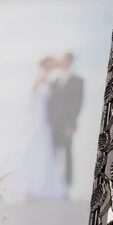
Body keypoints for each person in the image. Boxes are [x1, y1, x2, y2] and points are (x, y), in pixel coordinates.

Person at [3, 57, 67, 201]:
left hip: (45, 122)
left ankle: (42, 186)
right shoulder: (38, 80)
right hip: (36, 121)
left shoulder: (49, 82)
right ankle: (32, 185)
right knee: (33, 151)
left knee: (44, 154)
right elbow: (31, 96)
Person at [46, 53, 84, 199]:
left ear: (69, 62)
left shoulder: (78, 81)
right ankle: (54, 184)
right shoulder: (55, 80)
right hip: (53, 124)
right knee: (52, 153)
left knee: (67, 154)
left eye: (64, 60)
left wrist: (71, 125)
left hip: (67, 125)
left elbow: (77, 104)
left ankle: (68, 186)